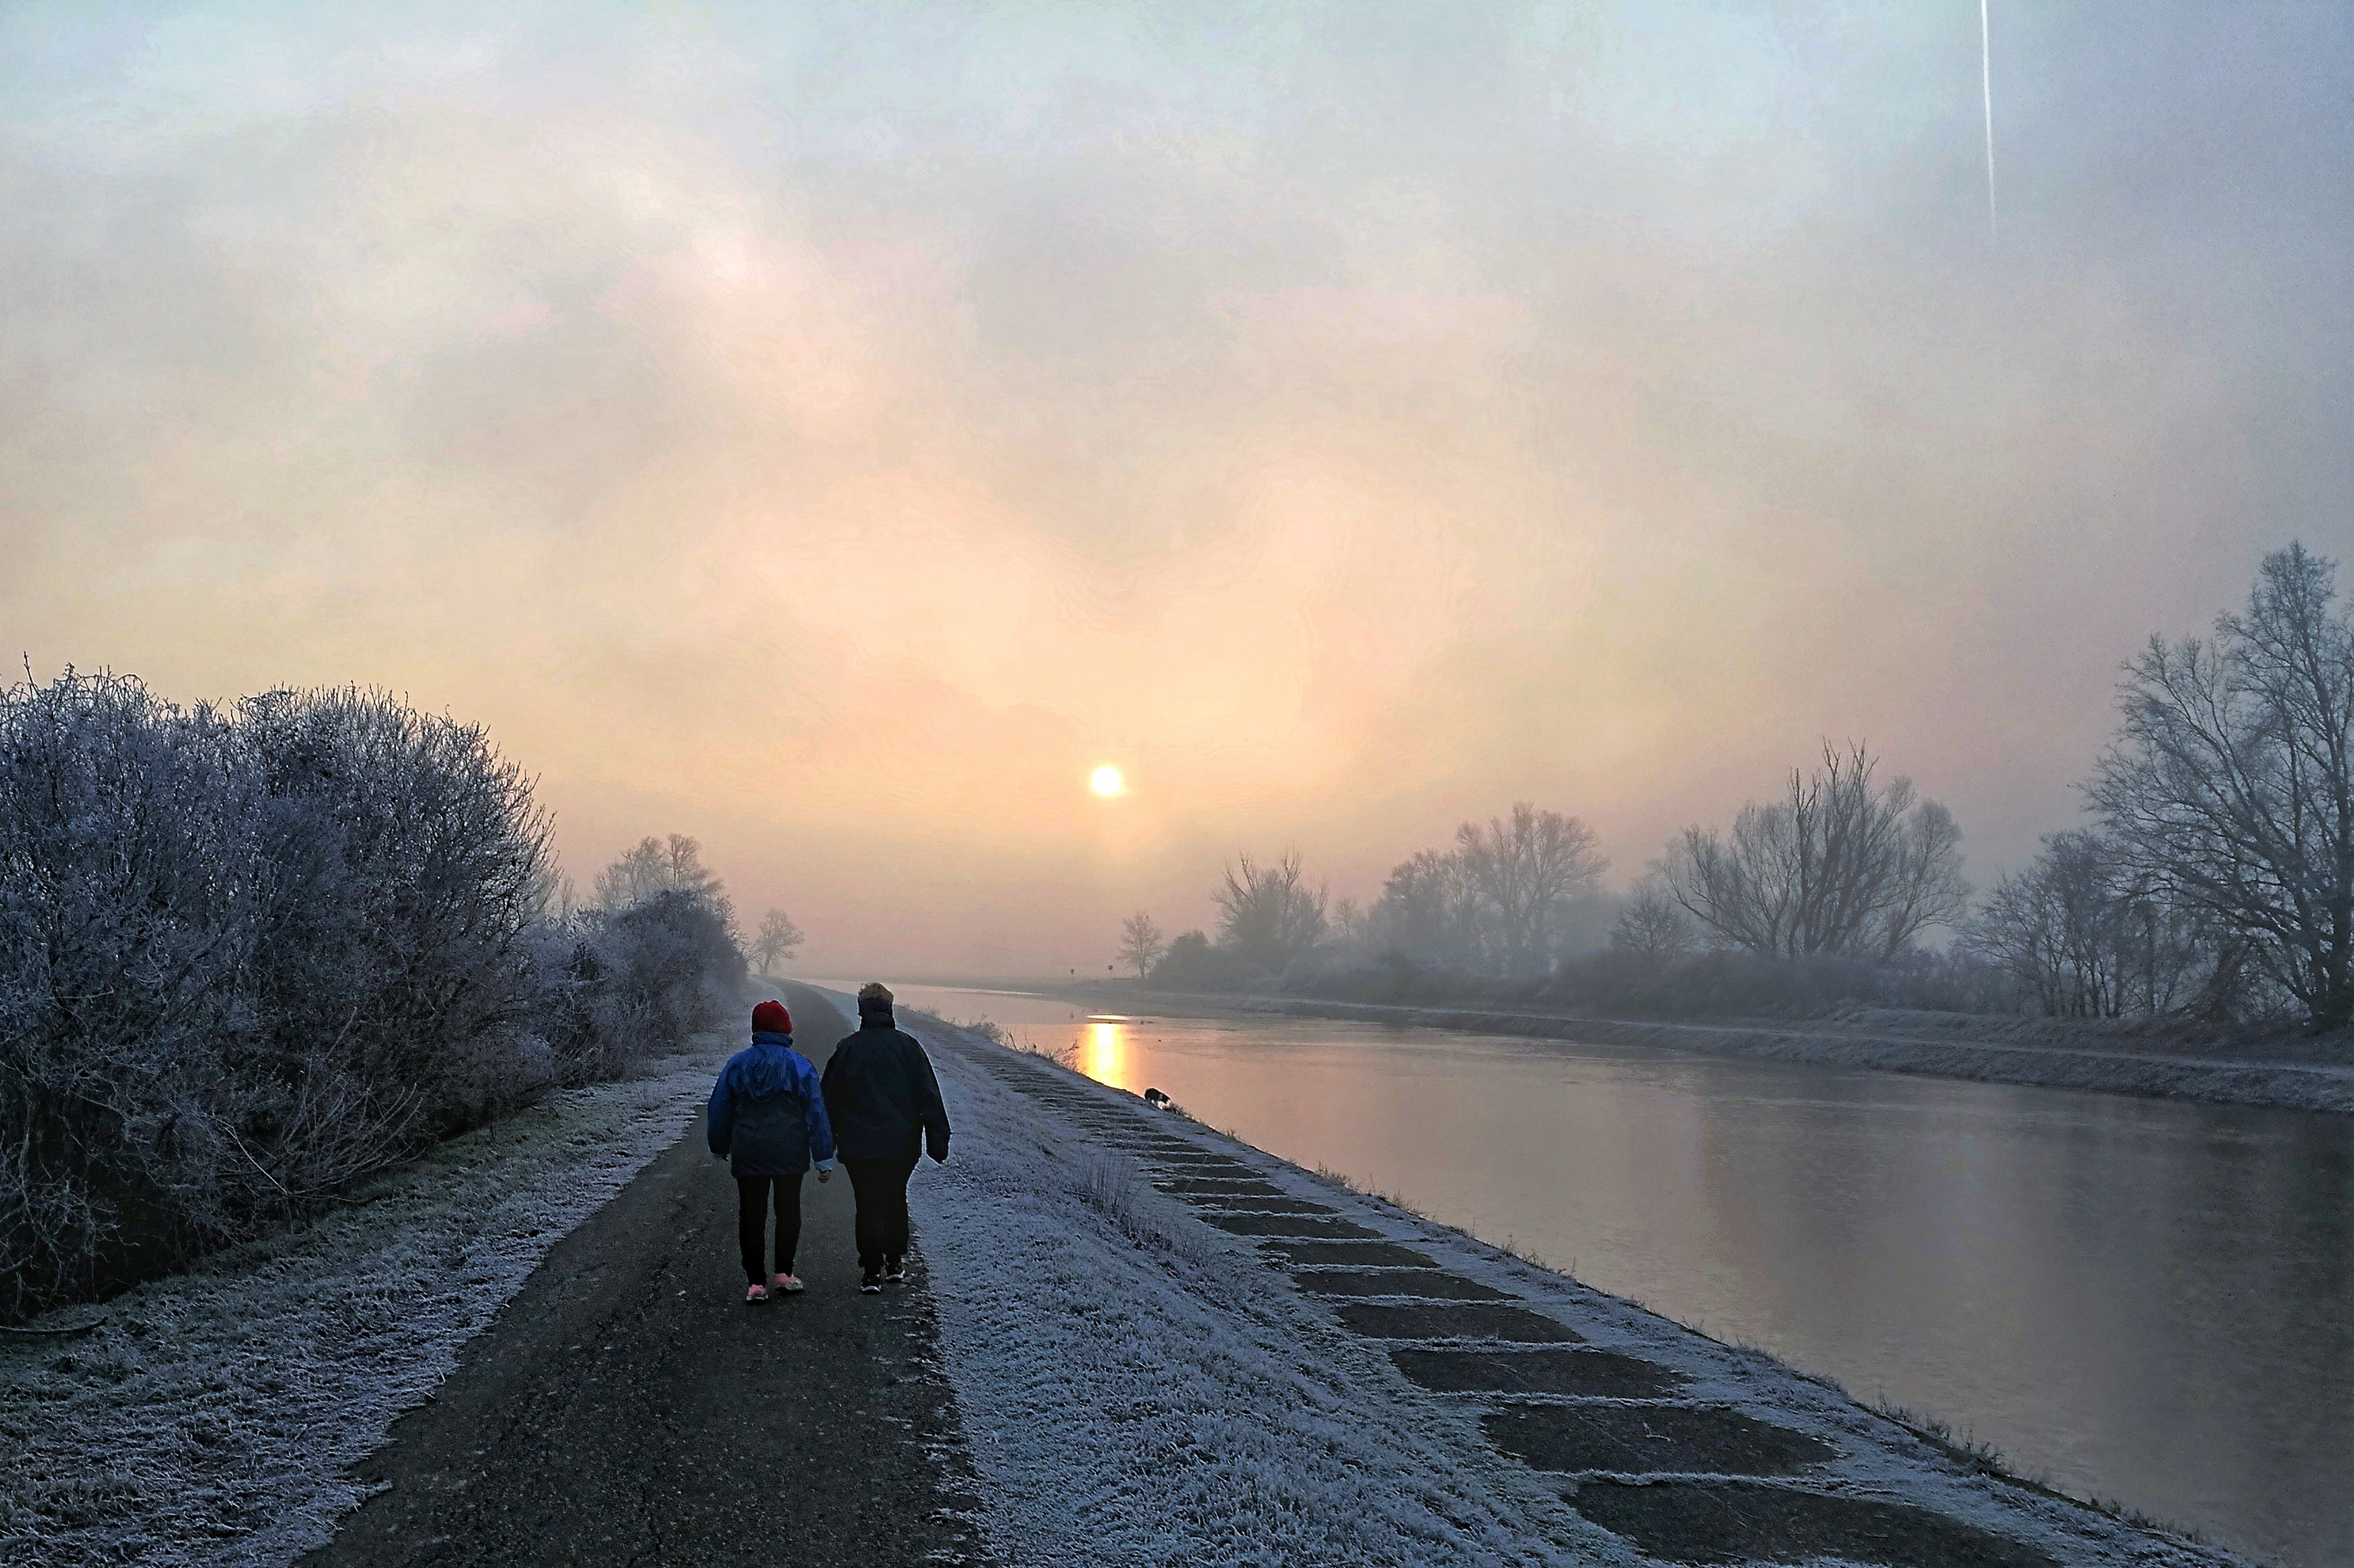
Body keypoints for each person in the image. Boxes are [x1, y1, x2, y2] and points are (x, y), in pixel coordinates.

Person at [820, 982, 950, 1293]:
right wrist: (938, 1141)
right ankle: (894, 1261)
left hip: (858, 1145)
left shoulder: (847, 1049)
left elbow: (828, 1099)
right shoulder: (909, 1047)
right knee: (894, 1197)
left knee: (867, 1202)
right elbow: (928, 1095)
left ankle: (870, 1272)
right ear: (890, 1009)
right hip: (901, 1145)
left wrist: (827, 1143)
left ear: (861, 1010)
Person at [708, 1000, 835, 1304]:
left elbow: (719, 1108)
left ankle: (755, 1284)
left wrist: (719, 1147)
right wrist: (823, 1157)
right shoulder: (800, 1065)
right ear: (785, 1028)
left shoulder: (737, 1064)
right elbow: (816, 1114)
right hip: (789, 1153)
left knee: (751, 1214)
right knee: (788, 1211)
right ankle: (784, 1274)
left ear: (755, 1029)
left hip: (749, 1150)